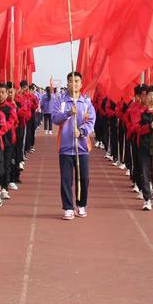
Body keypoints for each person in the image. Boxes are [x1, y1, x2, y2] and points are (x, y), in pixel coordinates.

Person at [52, 71, 96, 220]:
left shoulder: (86, 103)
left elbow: (91, 121)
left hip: (82, 148)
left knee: (84, 178)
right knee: (66, 179)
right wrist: (68, 113)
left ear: (81, 84)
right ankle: (68, 207)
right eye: (71, 81)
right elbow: (55, 118)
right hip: (65, 147)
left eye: (77, 81)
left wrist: (82, 131)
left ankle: (81, 204)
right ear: (67, 83)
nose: (74, 84)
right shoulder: (61, 101)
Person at [0, 83, 18, 199]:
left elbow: (12, 122)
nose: (0, 95)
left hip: (8, 139)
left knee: (6, 163)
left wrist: (2, 128)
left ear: (6, 94)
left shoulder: (11, 107)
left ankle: (4, 187)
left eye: (2, 92)